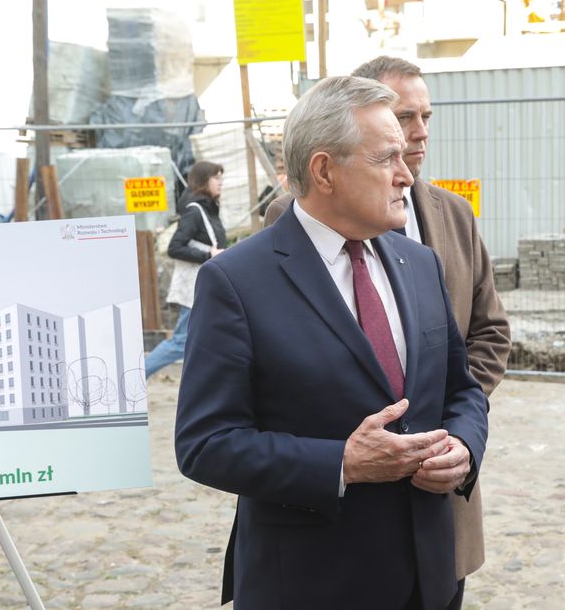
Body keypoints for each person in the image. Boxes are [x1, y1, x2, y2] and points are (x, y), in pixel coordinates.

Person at [175, 75, 488, 610]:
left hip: (430, 574)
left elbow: (462, 390)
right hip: (311, 581)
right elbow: (205, 442)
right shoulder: (236, 280)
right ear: (324, 170)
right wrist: (340, 462)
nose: (406, 176)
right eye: (386, 158)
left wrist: (462, 447)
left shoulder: (419, 263)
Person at [265, 55, 511, 598]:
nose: (419, 135)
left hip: (437, 506)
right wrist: (343, 459)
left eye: (426, 117)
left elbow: (486, 336)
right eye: (401, 121)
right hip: (326, 541)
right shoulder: (281, 236)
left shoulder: (448, 220)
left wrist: (448, 425)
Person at [144, 161, 226, 378]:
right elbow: (174, 248)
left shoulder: (208, 209)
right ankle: (135, 377)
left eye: (221, 178)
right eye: (216, 178)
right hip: (195, 288)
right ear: (203, 181)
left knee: (213, 339)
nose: (221, 183)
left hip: (206, 286)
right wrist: (208, 255)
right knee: (180, 342)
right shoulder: (195, 210)